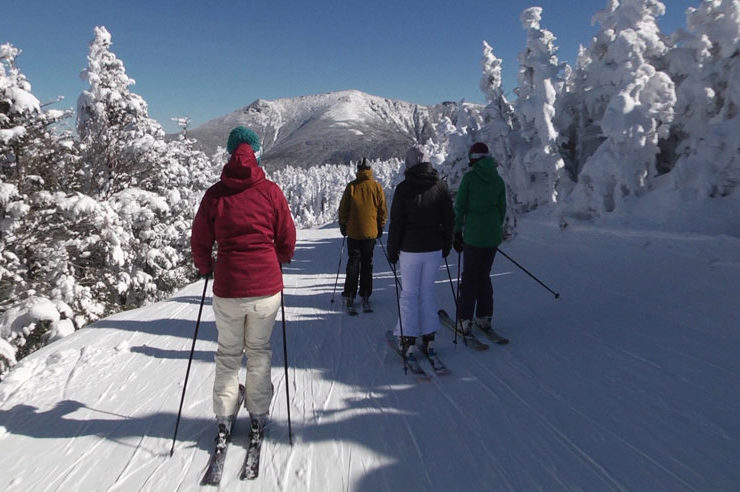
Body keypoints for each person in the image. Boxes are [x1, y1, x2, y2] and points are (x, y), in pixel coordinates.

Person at [191, 126, 296, 448]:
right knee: (259, 352)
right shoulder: (271, 192)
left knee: (228, 353)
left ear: (229, 154)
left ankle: (224, 415)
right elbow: (287, 235)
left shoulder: (215, 195)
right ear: (256, 154)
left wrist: (206, 267)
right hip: (266, 287)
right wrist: (279, 257)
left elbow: (200, 238)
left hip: (228, 288)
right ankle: (258, 413)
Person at [386, 145, 454, 359]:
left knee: (409, 293)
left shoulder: (403, 188)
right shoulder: (440, 186)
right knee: (427, 291)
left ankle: (408, 339)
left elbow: (397, 223)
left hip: (410, 249)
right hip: (434, 248)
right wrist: (447, 244)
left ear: (408, 164)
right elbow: (449, 219)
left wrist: (392, 250)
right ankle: (428, 336)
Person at [453, 142, 507, 341]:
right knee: (484, 275)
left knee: (470, 277)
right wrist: (493, 228)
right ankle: (485, 317)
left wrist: (456, 232)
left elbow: (460, 206)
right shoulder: (498, 180)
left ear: (472, 158)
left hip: (474, 236)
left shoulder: (470, 178)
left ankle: (464, 319)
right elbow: (502, 208)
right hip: (492, 236)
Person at [337, 157, 387, 312]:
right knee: (367, 263)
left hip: (353, 232)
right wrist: (380, 226)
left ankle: (350, 294)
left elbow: (343, 208)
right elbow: (382, 210)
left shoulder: (352, 187)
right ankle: (365, 293)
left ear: (358, 169)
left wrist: (343, 224)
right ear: (370, 169)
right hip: (370, 233)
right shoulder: (376, 187)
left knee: (353, 262)